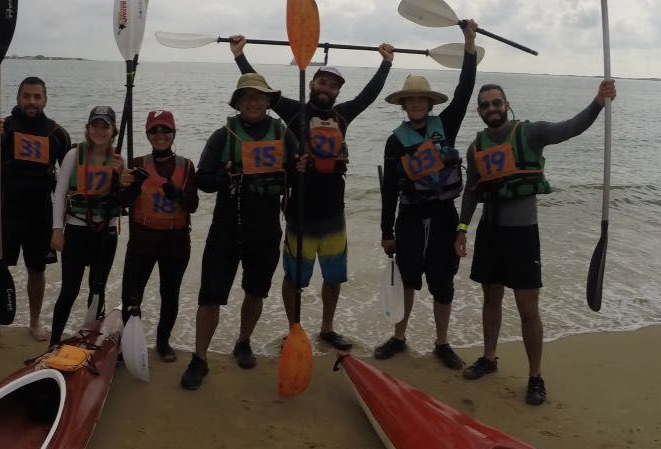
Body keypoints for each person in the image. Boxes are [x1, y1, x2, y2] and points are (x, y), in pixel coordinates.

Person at [455, 77, 616, 405]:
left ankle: (535, 376)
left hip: (522, 235)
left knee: (528, 308)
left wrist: (598, 102)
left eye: (496, 103)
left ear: (506, 104)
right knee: (490, 300)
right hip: (490, 234)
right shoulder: (476, 148)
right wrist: (461, 229)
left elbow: (570, 127)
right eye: (485, 105)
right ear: (479, 111)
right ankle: (489, 357)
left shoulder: (530, 133)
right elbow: (471, 194)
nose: (491, 109)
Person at [229, 37, 394, 350]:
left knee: (333, 277)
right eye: (322, 80)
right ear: (312, 81)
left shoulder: (343, 115)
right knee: (295, 279)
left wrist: (386, 63)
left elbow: (369, 96)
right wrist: (240, 56)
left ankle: (327, 328)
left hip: (334, 214)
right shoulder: (292, 111)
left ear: (337, 91)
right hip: (299, 214)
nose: (326, 87)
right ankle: (295, 329)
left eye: (333, 85)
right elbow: (260, 91)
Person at [181, 72, 300, 390]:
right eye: (247, 97)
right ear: (238, 102)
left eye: (260, 97)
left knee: (256, 289)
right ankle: (200, 357)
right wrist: (224, 178)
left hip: (265, 224)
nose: (254, 102)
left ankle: (243, 341)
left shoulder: (284, 133)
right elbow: (203, 180)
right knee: (211, 294)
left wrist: (301, 169)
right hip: (227, 222)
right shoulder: (223, 136)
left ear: (268, 102)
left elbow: (297, 175)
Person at [376, 22, 478, 366]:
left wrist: (469, 44)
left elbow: (465, 89)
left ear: (428, 103)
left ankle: (442, 343)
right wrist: (386, 232)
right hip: (409, 217)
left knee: (442, 281)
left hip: (443, 216)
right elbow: (389, 189)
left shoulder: (446, 125)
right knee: (407, 278)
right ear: (404, 105)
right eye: (411, 100)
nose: (416, 104)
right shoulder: (395, 141)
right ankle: (399, 337)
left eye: (421, 99)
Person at [0, 76, 71, 345]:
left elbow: (69, 177)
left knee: (36, 269)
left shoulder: (57, 134)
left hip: (40, 212)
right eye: (27, 96)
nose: (32, 101)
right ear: (18, 98)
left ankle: (34, 322)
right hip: (6, 210)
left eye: (37, 96)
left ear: (45, 99)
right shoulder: (2, 127)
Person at [117, 108, 199, 361]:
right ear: (147, 133)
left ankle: (163, 343)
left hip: (175, 241)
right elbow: (120, 203)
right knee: (132, 293)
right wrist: (128, 188)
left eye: (165, 129)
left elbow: (193, 205)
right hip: (143, 239)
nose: (160, 134)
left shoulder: (186, 166)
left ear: (174, 133)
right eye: (155, 130)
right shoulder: (137, 164)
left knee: (170, 293)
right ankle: (130, 342)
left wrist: (179, 196)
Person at [49, 105, 124, 345]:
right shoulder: (74, 155)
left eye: (105, 126)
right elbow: (59, 194)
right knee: (69, 289)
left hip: (106, 232)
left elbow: (124, 199)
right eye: (95, 125)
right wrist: (57, 230)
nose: (100, 131)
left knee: (97, 288)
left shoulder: (118, 161)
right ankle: (54, 341)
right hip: (77, 229)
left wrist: (121, 178)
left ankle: (91, 339)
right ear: (88, 128)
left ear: (113, 131)